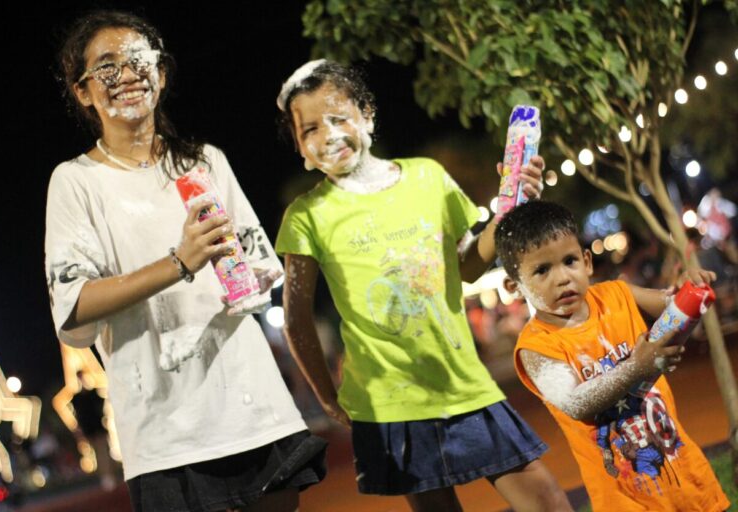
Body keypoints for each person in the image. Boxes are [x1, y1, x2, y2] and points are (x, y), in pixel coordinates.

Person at [45, 11, 326, 512]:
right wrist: (179, 262)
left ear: (162, 74)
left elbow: (258, 271)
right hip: (166, 437)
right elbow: (73, 304)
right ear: (83, 91)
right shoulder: (76, 182)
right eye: (107, 67)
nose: (128, 75)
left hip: (253, 409)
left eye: (139, 61)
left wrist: (246, 274)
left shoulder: (205, 162)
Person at [274, 59, 571, 512]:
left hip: (464, 384)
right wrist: (327, 399)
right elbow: (295, 320)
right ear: (298, 147)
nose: (328, 134)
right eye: (310, 128)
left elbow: (468, 266)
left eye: (338, 117)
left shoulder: (428, 177)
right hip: (390, 407)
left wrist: (510, 207)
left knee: (547, 500)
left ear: (367, 115)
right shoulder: (306, 216)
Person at [495, 200, 729, 511]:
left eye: (569, 261)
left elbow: (670, 307)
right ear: (514, 286)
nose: (562, 277)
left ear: (587, 261)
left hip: (685, 474)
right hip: (625, 497)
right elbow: (575, 403)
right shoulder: (537, 347)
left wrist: (688, 291)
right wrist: (638, 367)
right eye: (542, 270)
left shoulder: (615, 294)